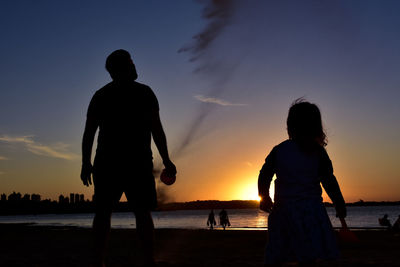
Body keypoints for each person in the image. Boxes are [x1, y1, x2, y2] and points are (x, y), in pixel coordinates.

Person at [80, 49, 177, 267]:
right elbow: (157, 131)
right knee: (141, 213)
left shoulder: (100, 95)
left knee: (104, 214)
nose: (135, 66)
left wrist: (86, 162)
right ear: (123, 67)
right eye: (132, 63)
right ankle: (148, 261)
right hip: (136, 163)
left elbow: (89, 133)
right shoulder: (144, 93)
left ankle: (98, 262)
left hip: (108, 162)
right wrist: (167, 160)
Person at [258, 99, 346, 267]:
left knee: (280, 254)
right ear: (316, 128)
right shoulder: (318, 152)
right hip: (311, 213)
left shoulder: (280, 150)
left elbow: (265, 174)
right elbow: (329, 181)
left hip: (284, 211)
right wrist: (339, 203)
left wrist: (264, 196)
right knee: (309, 255)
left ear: (290, 126)